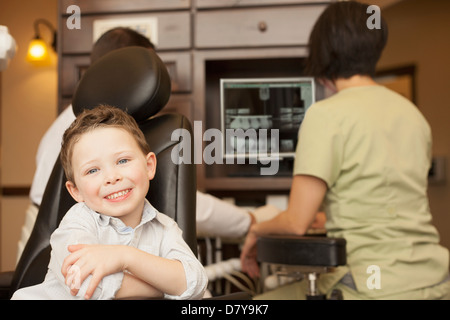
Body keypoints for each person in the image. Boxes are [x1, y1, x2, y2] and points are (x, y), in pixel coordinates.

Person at [240, 1, 450, 300]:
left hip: (370, 284)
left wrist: (255, 230)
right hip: (435, 279)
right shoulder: (413, 114)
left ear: (324, 51)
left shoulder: (326, 114)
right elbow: (388, 203)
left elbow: (295, 223)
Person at [22, 27, 259, 263]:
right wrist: (248, 221)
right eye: (145, 66)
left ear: (150, 164)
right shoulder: (83, 136)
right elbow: (180, 200)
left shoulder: (113, 129)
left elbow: (174, 200)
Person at [12, 105, 207, 300]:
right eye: (93, 170)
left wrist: (124, 257)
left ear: (149, 166)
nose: (112, 177)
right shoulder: (78, 222)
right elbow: (86, 286)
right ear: (76, 191)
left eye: (122, 161)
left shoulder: (165, 228)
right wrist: (165, 287)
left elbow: (195, 283)